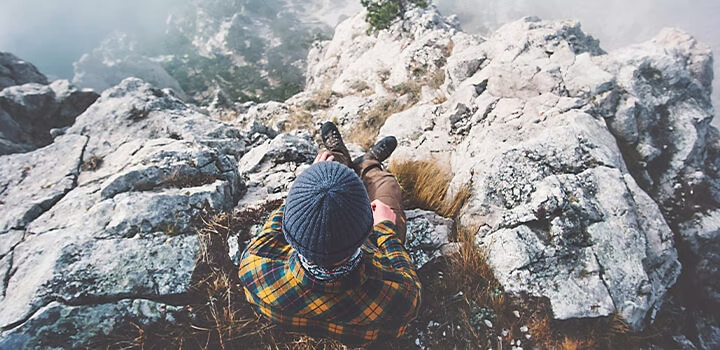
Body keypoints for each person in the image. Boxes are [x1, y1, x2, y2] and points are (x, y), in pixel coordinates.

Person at [238, 121, 421, 346]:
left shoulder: (253, 269)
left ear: (291, 231)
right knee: (386, 187)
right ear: (367, 229)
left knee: (327, 161)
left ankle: (338, 153)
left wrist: (308, 191)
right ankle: (369, 164)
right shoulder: (400, 297)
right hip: (369, 240)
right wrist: (385, 228)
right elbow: (406, 274)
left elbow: (280, 219)